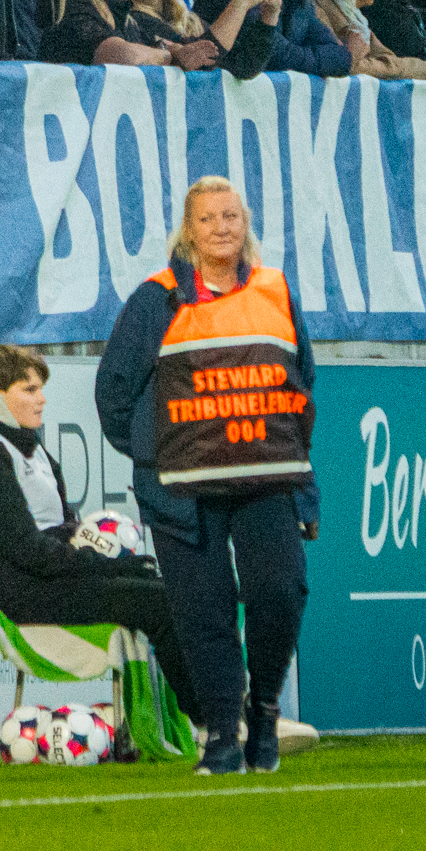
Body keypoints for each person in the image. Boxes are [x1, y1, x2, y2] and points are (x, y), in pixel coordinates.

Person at [93, 176, 312, 777]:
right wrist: (154, 457)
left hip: (265, 480)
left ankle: (262, 709)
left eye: (231, 216)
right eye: (209, 219)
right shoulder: (155, 300)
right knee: (203, 610)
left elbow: (300, 390)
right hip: (181, 494)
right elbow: (113, 393)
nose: (221, 227)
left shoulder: (274, 291)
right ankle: (221, 733)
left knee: (280, 592)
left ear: (247, 225)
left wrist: (306, 492)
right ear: (188, 232)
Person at [0, 342, 198, 735]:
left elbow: (64, 530)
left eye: (41, 388)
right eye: (28, 390)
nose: (42, 400)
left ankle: (227, 713)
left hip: (52, 575)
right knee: (159, 600)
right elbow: (25, 549)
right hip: (22, 590)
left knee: (171, 588)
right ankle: (218, 723)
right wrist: (106, 564)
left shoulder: (31, 447)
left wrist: (100, 553)